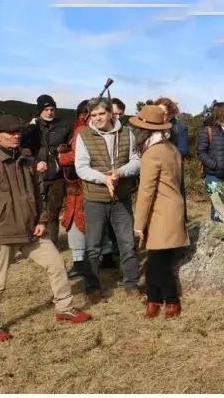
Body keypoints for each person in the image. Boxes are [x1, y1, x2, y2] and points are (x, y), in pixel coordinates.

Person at [0, 115, 91, 343]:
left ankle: (64, 308)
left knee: (57, 264)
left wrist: (41, 221)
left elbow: (39, 196)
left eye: (18, 131)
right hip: (3, 234)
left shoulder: (27, 162)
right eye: (10, 133)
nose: (16, 135)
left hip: (32, 231)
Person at [74, 97, 142, 303]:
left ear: (110, 113)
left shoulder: (128, 133)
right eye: (93, 115)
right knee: (93, 246)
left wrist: (120, 172)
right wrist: (104, 178)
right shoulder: (84, 135)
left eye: (101, 114)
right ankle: (92, 287)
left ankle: (131, 284)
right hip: (95, 198)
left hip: (121, 197)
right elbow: (81, 167)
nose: (97, 118)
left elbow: (137, 161)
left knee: (127, 243)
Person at [130, 105, 190, 319]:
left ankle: (171, 301)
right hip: (173, 206)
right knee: (158, 258)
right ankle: (153, 299)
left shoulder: (152, 153)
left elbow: (146, 191)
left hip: (160, 211)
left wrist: (138, 224)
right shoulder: (171, 148)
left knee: (157, 262)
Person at [58, 100, 115, 279]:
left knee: (77, 222)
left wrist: (61, 157)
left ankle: (80, 263)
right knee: (97, 221)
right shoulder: (91, 129)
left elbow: (76, 157)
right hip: (94, 180)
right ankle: (106, 257)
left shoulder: (82, 130)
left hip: (82, 184)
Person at [23, 94, 72, 248]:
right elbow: (20, 145)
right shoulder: (32, 126)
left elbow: (72, 145)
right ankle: (33, 243)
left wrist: (64, 151)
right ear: (40, 110)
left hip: (57, 175)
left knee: (54, 210)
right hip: (36, 174)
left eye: (52, 109)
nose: (50, 112)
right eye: (46, 109)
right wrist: (30, 127)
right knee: (34, 209)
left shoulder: (63, 126)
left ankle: (52, 244)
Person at [154, 97, 189, 221]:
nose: (160, 114)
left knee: (175, 209)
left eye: (163, 111)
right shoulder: (150, 126)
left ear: (170, 111)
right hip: (154, 172)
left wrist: (163, 153)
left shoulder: (180, 128)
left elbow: (183, 151)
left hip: (173, 172)